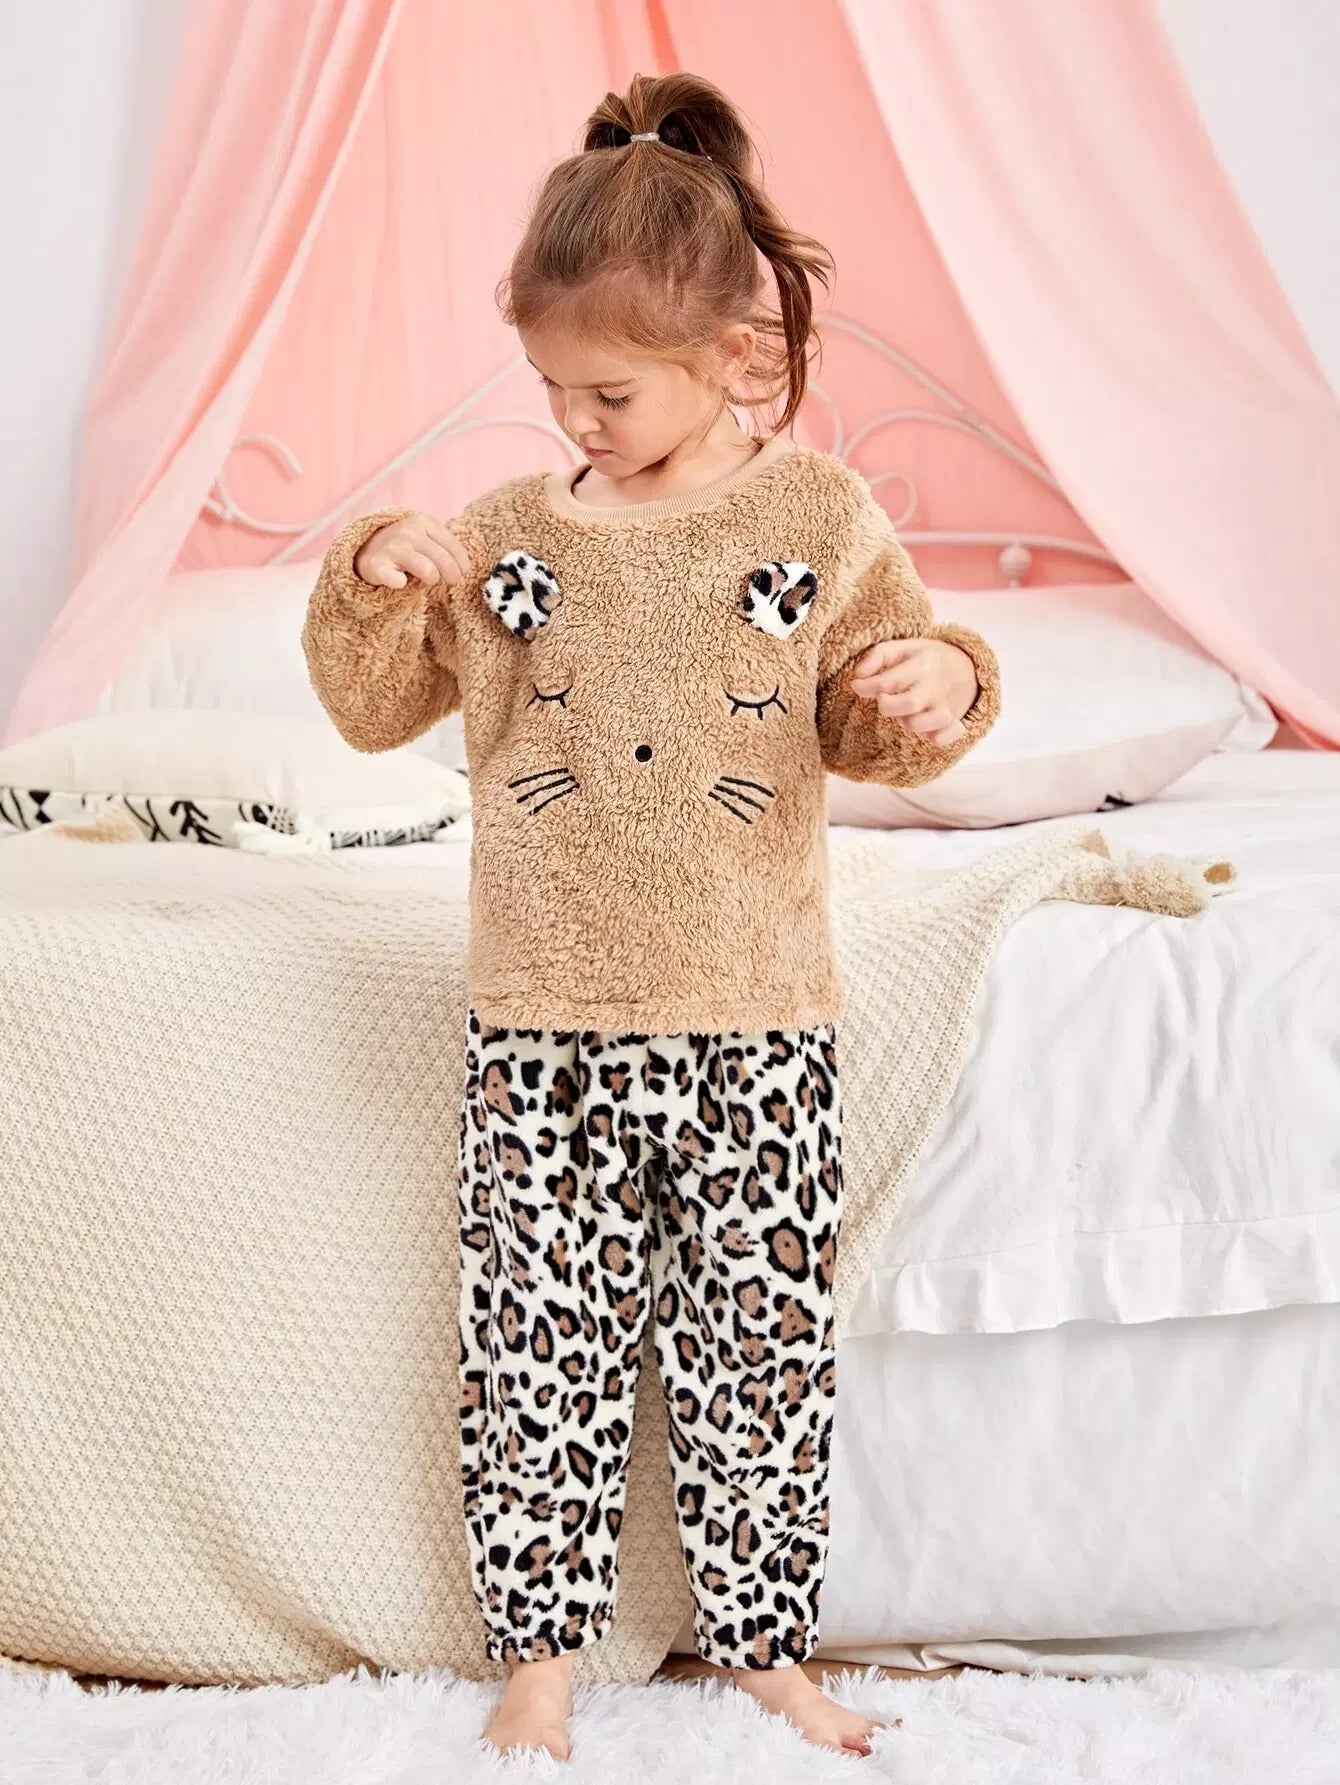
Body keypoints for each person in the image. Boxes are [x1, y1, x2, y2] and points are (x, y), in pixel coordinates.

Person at [302, 69, 1000, 1763]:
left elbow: (880, 713)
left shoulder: (817, 517)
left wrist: (940, 673)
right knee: (534, 1354)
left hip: (755, 1018)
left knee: (760, 1353)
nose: (576, 420)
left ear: (734, 357)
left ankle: (767, 1648)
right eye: (551, 387)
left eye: (608, 390)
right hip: (543, 1025)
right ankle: (537, 1659)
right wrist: (371, 571)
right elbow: (374, 708)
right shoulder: (508, 537)